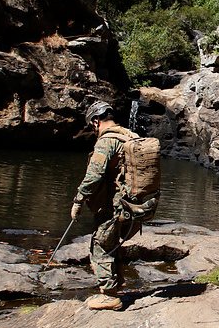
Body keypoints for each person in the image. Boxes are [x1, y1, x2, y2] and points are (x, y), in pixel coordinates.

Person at [70, 100, 142, 311]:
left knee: (100, 246)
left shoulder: (106, 142)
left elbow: (94, 176)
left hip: (114, 205)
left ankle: (109, 295)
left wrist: (78, 200)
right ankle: (117, 283)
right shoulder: (131, 136)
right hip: (133, 205)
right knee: (111, 243)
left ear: (95, 121)